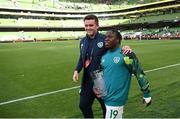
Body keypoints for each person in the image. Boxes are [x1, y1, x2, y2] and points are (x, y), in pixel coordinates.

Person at [72, 14, 132, 118]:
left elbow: (117, 50)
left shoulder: (105, 39)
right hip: (86, 80)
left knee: (106, 107)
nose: (88, 28)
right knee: (83, 105)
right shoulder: (82, 41)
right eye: (86, 25)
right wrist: (77, 70)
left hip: (101, 79)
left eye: (91, 25)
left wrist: (126, 48)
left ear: (97, 26)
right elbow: (82, 58)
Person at [94, 30, 151, 119]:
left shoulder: (126, 55)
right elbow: (101, 73)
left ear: (118, 40)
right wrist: (97, 86)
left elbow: (139, 73)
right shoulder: (104, 56)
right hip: (106, 98)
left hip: (116, 99)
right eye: (106, 37)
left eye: (110, 37)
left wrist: (146, 94)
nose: (106, 39)